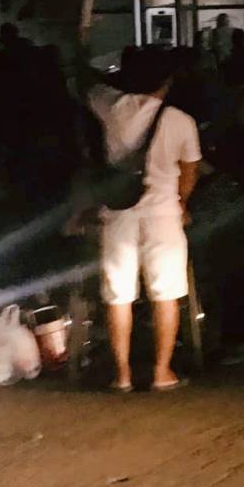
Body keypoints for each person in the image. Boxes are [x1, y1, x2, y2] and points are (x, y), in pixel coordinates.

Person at [79, 30, 203, 393]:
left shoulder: (111, 107)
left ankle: (122, 374)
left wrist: (84, 34)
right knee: (165, 294)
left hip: (118, 213)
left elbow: (85, 81)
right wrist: (181, 203)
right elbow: (190, 170)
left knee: (119, 296)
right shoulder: (181, 120)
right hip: (164, 215)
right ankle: (162, 371)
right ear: (167, 81)